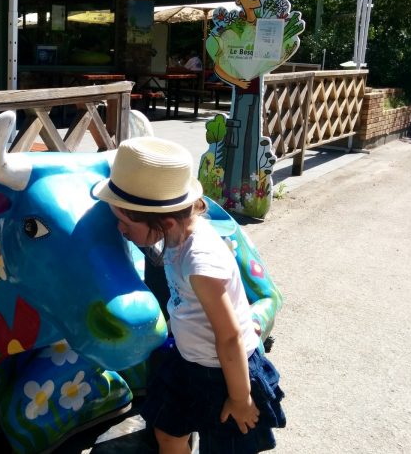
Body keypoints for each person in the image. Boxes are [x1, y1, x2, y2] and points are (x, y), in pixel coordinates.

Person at [93, 137, 285, 453]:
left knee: (226, 445)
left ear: (165, 221)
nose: (120, 229)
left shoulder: (200, 262)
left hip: (225, 372)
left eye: (125, 222)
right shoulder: (175, 235)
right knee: (167, 431)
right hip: (190, 359)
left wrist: (240, 398)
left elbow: (228, 337)